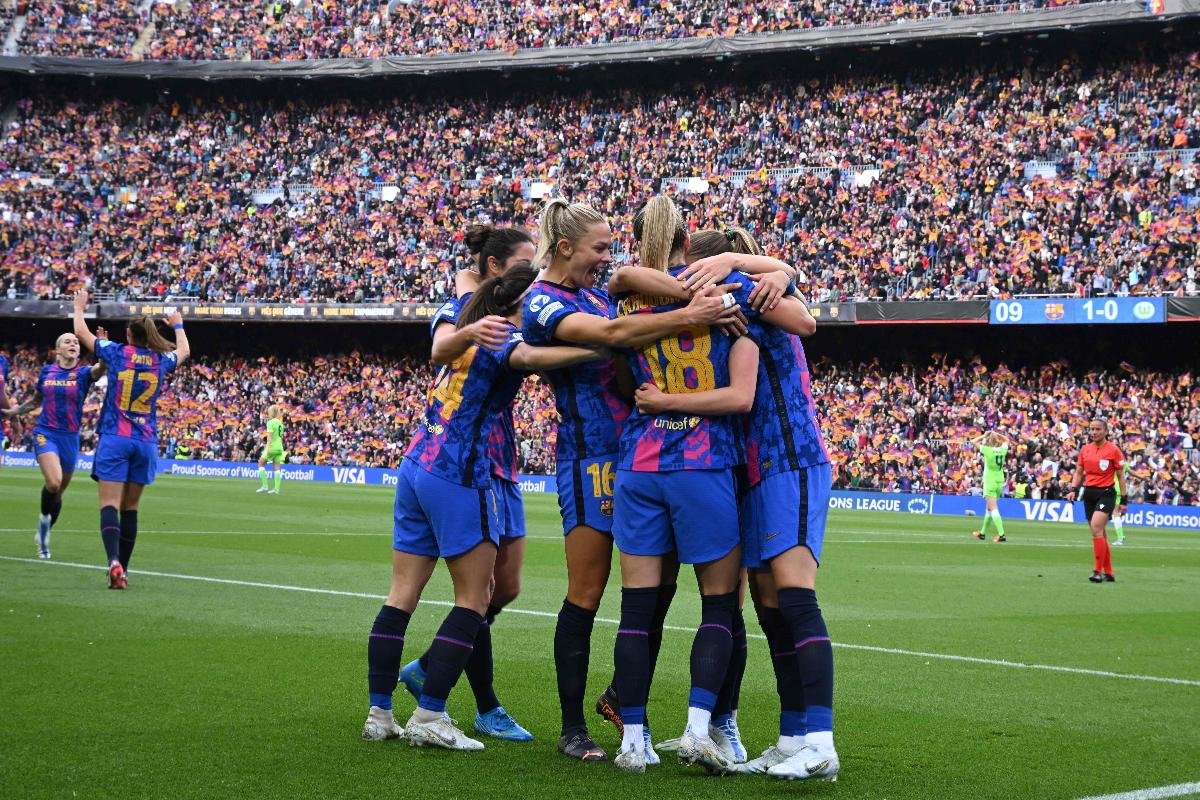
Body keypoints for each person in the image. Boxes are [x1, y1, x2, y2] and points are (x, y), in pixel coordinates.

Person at [614, 218, 837, 781]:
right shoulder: (721, 297)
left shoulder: (744, 289)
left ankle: (820, 741)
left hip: (790, 456)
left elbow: (805, 321)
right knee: (769, 608)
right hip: (751, 467)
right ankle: (791, 737)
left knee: (795, 598)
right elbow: (625, 277)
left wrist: (751, 270)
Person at [521, 198, 741, 763]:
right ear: (564, 247)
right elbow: (617, 332)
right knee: (588, 592)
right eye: (599, 248)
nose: (607, 257)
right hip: (590, 456)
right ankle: (572, 728)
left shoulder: (597, 290)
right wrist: (694, 315)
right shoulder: (542, 301)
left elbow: (627, 302)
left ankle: (622, 697)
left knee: (656, 588)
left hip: (641, 452)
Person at [362, 264, 606, 751]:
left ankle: (380, 714)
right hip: (460, 472)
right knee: (475, 598)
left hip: (418, 461)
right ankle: (430, 715)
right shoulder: (501, 333)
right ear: (520, 304)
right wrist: (601, 347)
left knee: (401, 594)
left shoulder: (468, 319)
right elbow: (529, 355)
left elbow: (462, 294)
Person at [400, 225, 538, 742]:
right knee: (478, 591)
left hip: (501, 455)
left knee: (507, 586)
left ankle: (431, 664)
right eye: (526, 263)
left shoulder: (490, 305)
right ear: (496, 267)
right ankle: (484, 705)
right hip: (465, 459)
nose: (536, 273)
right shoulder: (465, 309)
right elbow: (446, 338)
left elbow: (467, 281)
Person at [73, 288, 190, 589]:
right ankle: (123, 571)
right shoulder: (160, 360)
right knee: (131, 509)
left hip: (116, 436)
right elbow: (184, 352)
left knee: (109, 505)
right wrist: (178, 324)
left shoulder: (116, 352)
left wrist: (79, 307)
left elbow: (81, 332)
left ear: (128, 335)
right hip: (145, 441)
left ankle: (113, 561)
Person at [3, 332, 106, 559]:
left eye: (76, 342)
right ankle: (43, 520)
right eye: (67, 341)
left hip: (70, 437)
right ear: (58, 350)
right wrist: (13, 412)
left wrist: (102, 348)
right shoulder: (47, 371)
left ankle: (44, 532)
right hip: (45, 432)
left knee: (58, 493)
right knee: (54, 481)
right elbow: (36, 400)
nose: (73, 344)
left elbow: (100, 369)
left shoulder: (83, 373)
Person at [1066, 419, 1127, 583]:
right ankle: (1109, 572)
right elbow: (1079, 472)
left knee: (1096, 528)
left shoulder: (1114, 450)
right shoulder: (1085, 449)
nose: (1094, 432)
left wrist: (1124, 500)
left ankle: (1097, 571)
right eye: (1092, 429)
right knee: (1100, 533)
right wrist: (1073, 489)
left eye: (1098, 429)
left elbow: (1121, 477)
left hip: (1106, 493)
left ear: (1106, 431)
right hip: (1089, 493)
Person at [971, 431, 1011, 542]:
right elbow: (1007, 440)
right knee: (989, 508)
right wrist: (997, 434)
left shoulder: (987, 450)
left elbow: (973, 441)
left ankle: (1001, 534)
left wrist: (984, 435)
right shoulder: (1002, 450)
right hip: (999, 481)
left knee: (993, 508)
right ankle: (982, 533)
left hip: (990, 482)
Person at [256, 404, 287, 494]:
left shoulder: (270, 422)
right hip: (279, 447)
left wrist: (268, 448)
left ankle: (265, 486)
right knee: (276, 467)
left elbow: (269, 437)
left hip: (272, 447)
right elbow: (280, 436)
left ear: (272, 413)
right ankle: (276, 489)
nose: (268, 414)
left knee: (261, 463)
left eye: (269, 412)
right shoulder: (280, 423)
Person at [1111, 461, 1130, 545]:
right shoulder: (1124, 463)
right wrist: (1141, 476)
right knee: (1115, 512)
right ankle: (1121, 536)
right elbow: (1132, 472)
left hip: (1114, 488)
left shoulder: (1112, 462)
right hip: (1121, 489)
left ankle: (1120, 537)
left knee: (1115, 513)